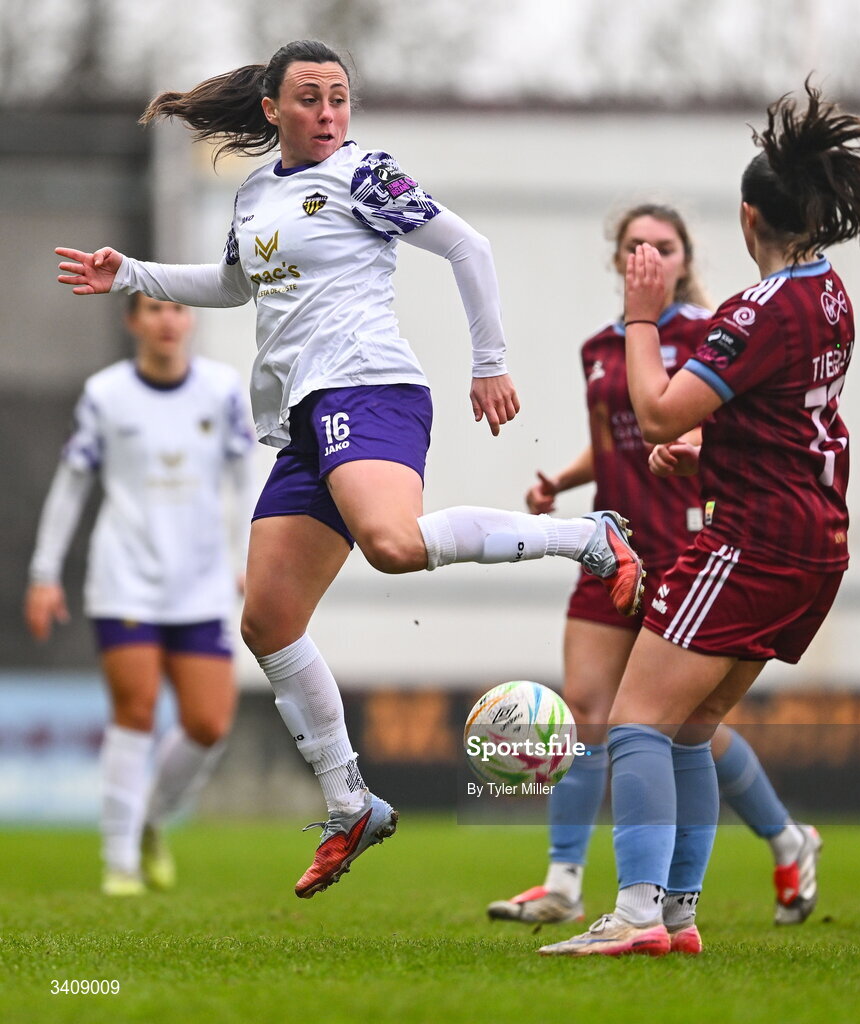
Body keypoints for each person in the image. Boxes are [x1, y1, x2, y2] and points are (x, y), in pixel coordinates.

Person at [54, 39, 643, 900]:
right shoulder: (257, 192)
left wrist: (490, 361)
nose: (329, 115)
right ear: (271, 109)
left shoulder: (367, 175)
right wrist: (130, 274)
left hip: (368, 386)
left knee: (393, 545)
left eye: (339, 99)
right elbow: (233, 283)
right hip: (305, 418)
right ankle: (350, 802)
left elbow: (468, 248)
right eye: (310, 100)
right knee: (268, 620)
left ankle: (587, 536)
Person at [539, 80, 860, 957]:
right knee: (693, 729)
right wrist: (720, 451)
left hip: (753, 542)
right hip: (815, 541)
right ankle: (678, 914)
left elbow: (661, 409)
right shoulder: (831, 297)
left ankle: (633, 912)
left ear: (749, 221)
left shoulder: (758, 308)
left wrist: (639, 315)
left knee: (634, 722)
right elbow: (794, 414)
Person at [485, 203, 822, 935]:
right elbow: (613, 438)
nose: (648, 256)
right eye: (635, 245)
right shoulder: (598, 349)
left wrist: (697, 445)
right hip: (611, 545)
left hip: (686, 547)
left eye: (662, 246)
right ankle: (564, 882)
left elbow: (710, 421)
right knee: (590, 712)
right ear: (619, 261)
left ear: (685, 256)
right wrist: (562, 483)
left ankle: (783, 836)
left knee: (678, 723)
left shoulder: (716, 330)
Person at [25, 293, 255, 896]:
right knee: (135, 710)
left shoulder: (222, 389)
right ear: (132, 321)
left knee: (208, 723)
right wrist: (44, 574)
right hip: (124, 577)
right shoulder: (105, 394)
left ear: (193, 319)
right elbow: (71, 486)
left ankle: (151, 819)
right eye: (152, 309)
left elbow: (242, 480)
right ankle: (119, 862)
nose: (167, 321)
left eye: (177, 310)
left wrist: (244, 561)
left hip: (201, 582)